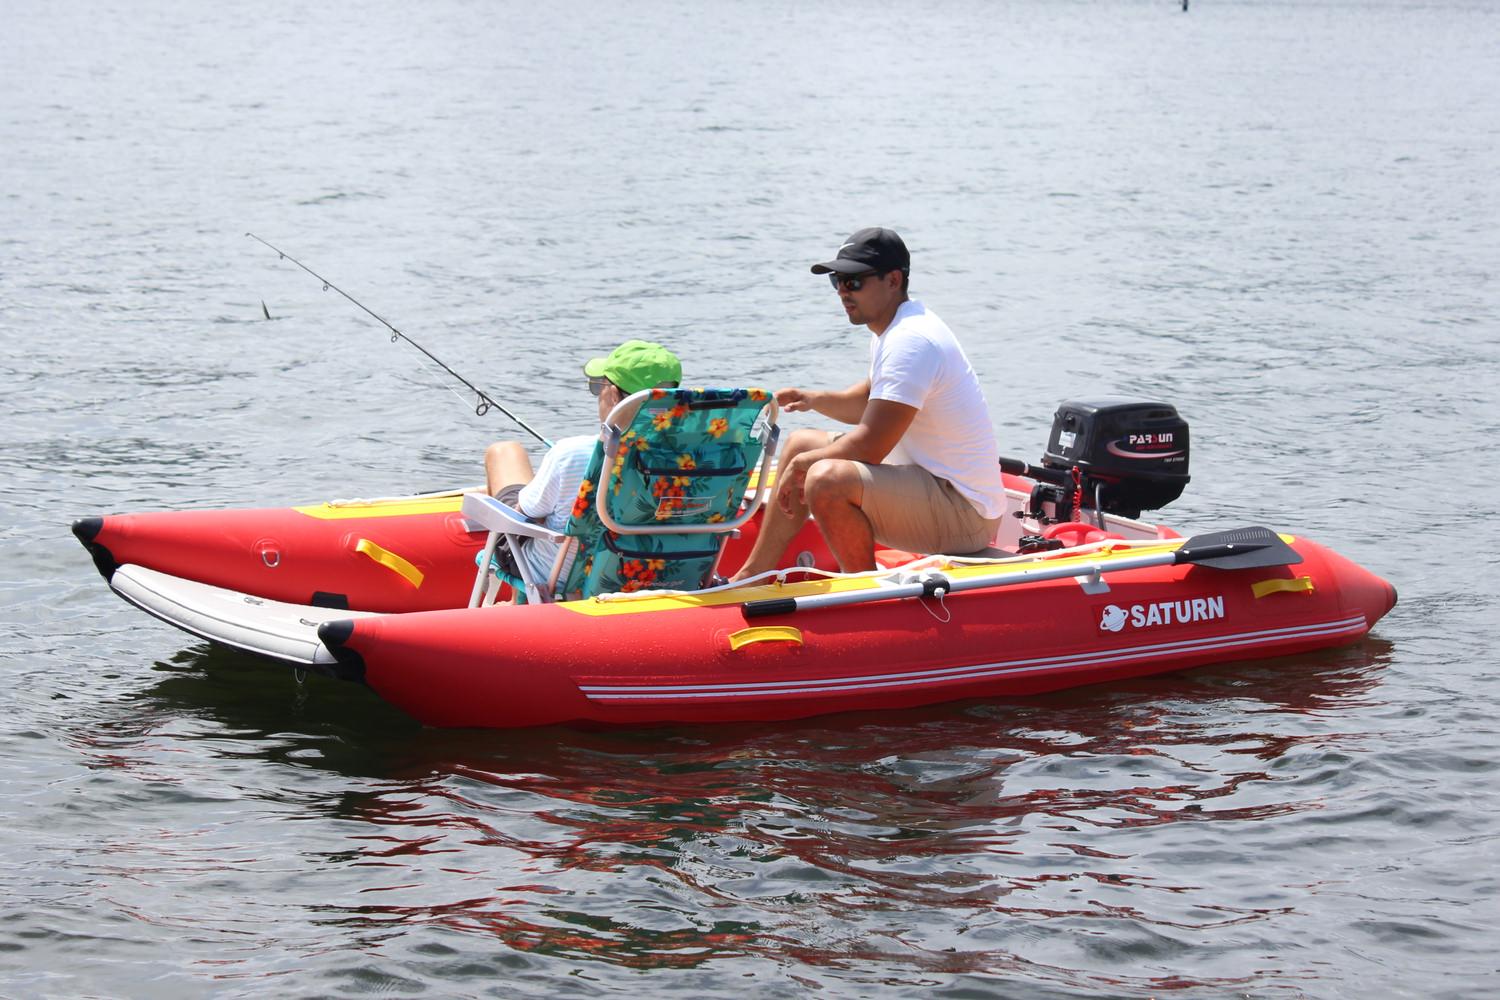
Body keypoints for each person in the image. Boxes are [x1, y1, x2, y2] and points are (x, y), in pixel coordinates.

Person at [730, 227, 1005, 579]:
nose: (843, 292)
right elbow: (868, 403)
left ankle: (866, 594)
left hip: (965, 514)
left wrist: (803, 465)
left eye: (854, 281)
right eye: (837, 282)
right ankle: (752, 575)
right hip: (932, 485)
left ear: (893, 280)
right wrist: (812, 399)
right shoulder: (896, 328)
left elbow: (871, 445)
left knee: (825, 478)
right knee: (802, 442)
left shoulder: (911, 341)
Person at [482, 339, 682, 589]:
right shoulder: (694, 459)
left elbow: (525, 512)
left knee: (504, 452)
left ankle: (516, 606)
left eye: (598, 386)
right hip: (655, 574)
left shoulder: (571, 454)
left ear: (612, 393)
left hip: (564, 578)